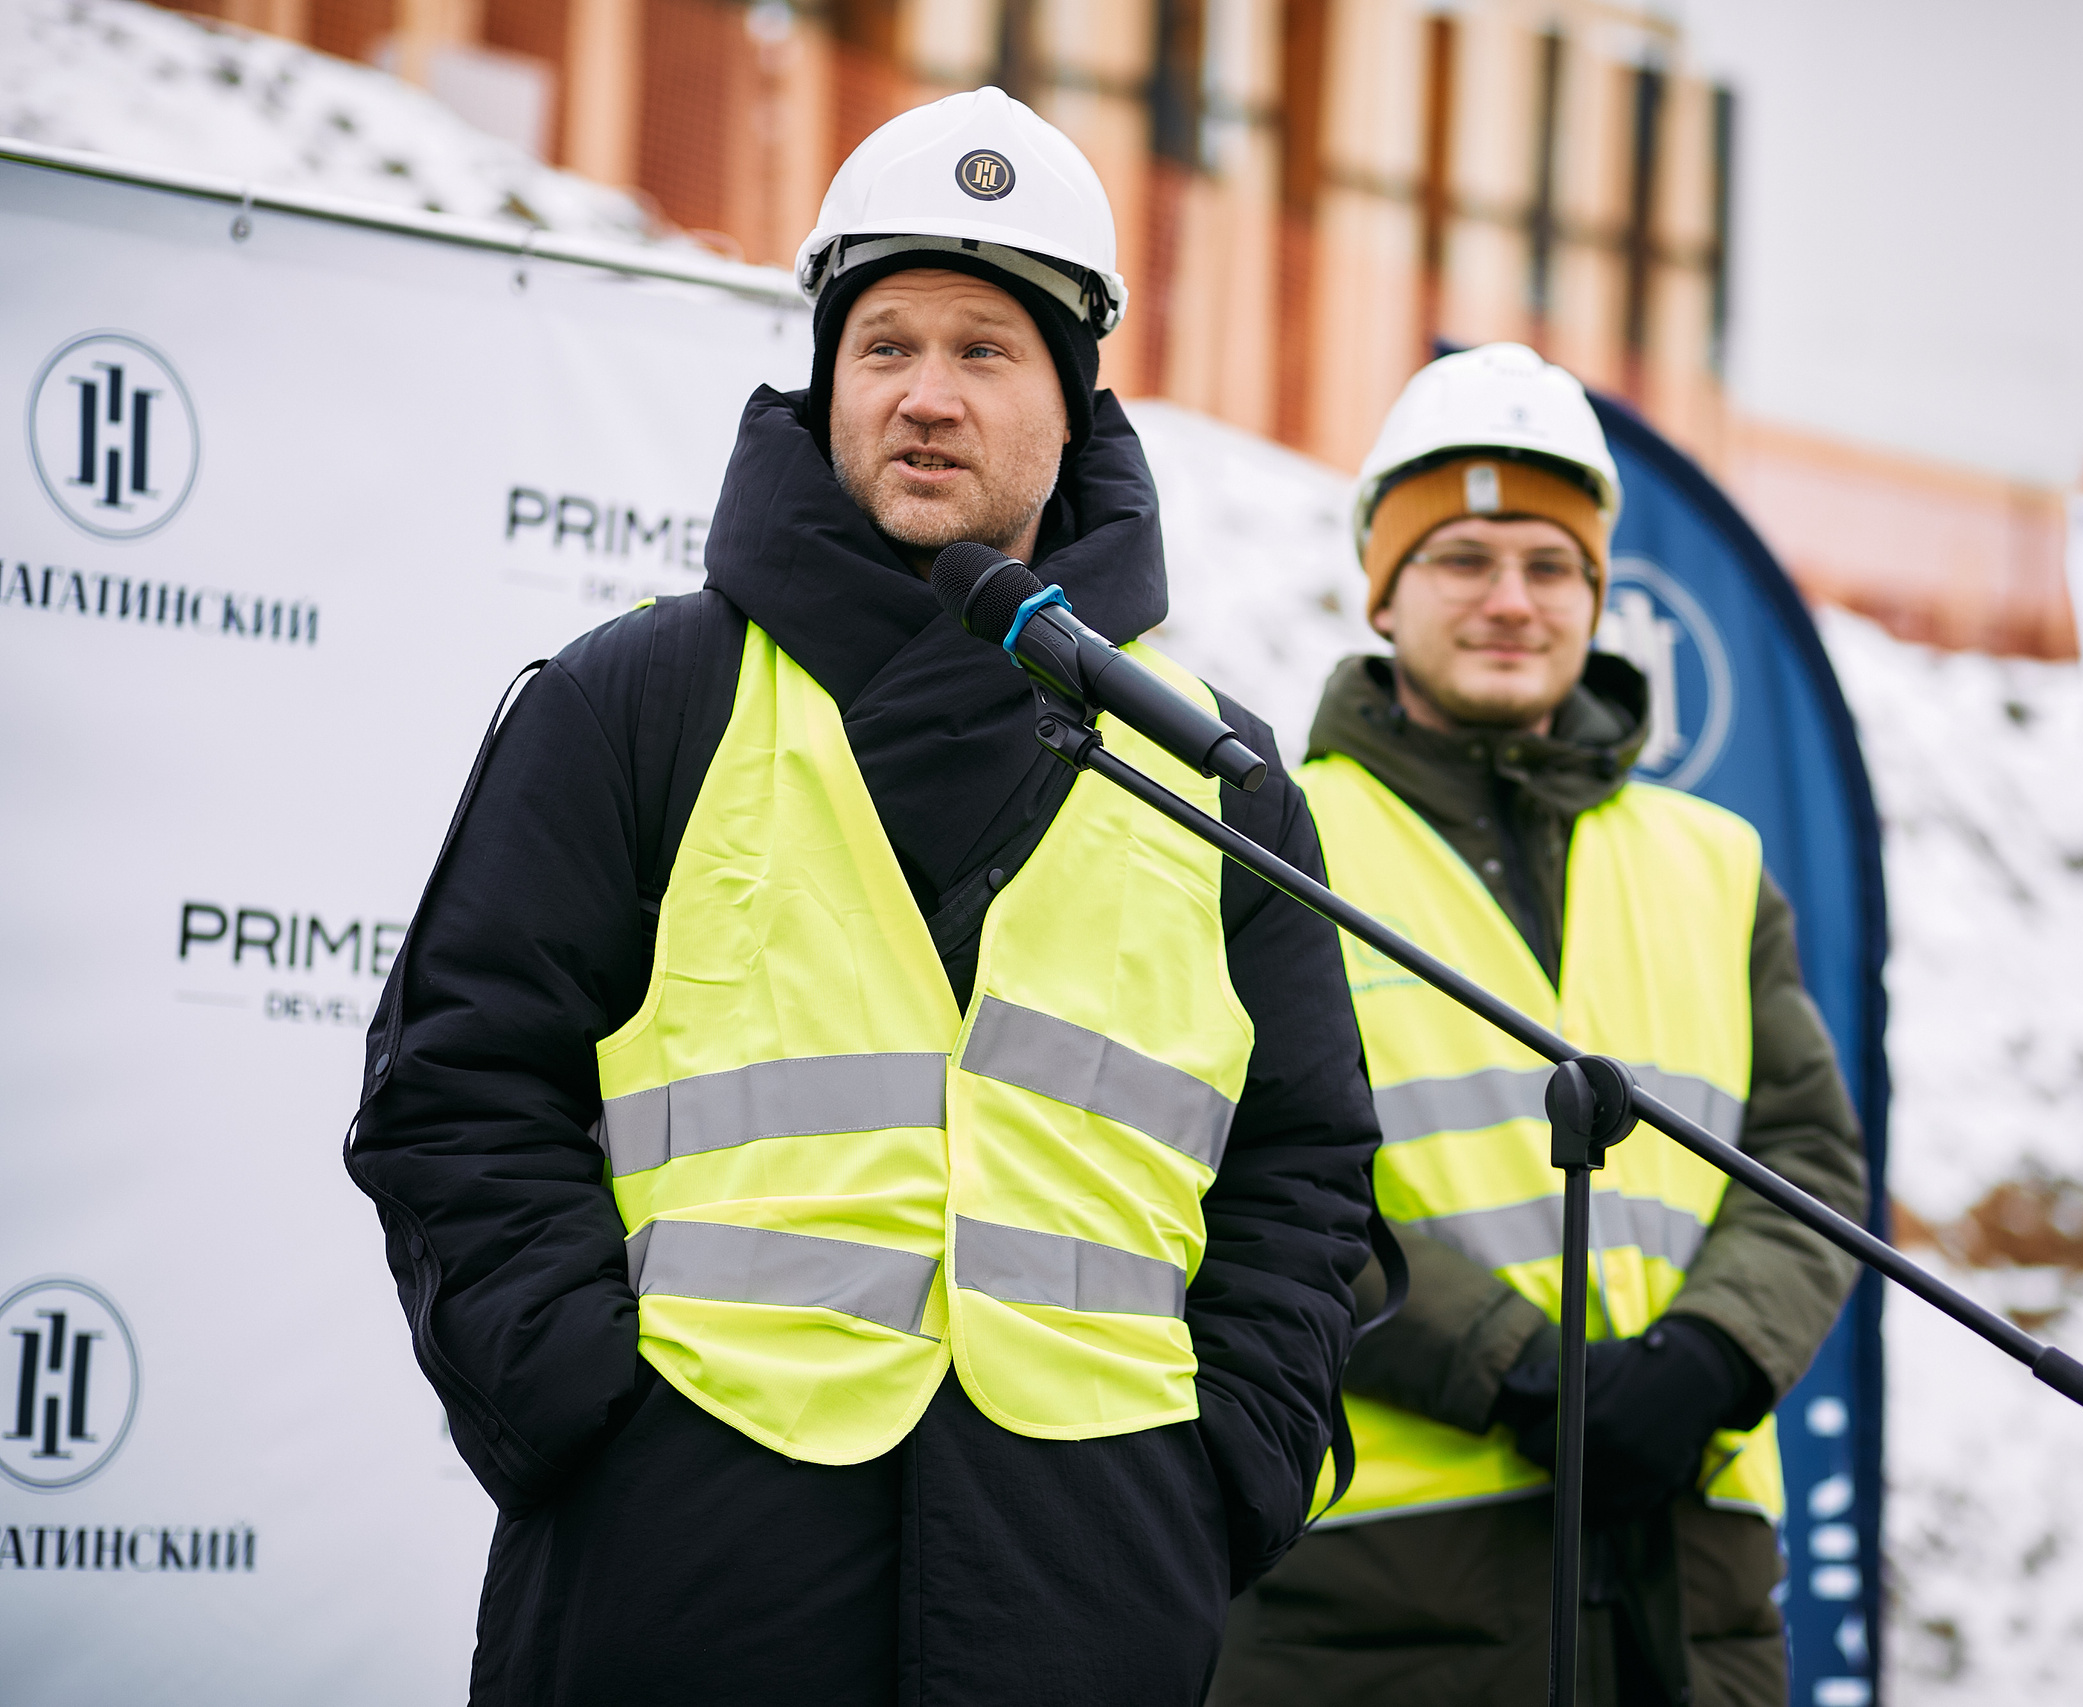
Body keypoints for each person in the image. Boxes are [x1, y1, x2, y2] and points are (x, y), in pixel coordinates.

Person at [345, 88, 1380, 1706]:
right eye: (884, 345)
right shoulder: (638, 701)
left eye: (986, 351)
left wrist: (1220, 1479)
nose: (925, 395)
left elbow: (1305, 1171)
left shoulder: (1211, 771)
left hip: (1088, 1579)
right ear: (829, 378)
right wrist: (583, 1418)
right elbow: (459, 1083)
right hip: (687, 1557)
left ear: (1072, 403)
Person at [1209, 343, 1868, 1706]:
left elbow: (1809, 1163)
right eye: (1462, 558)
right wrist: (1518, 1373)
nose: (1512, 600)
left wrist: (1707, 1360)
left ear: (1597, 597)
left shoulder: (1717, 862)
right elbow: (1231, 1167)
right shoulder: (1274, 843)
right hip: (1378, 1597)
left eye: (1552, 566)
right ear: (1384, 589)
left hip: (1693, 1596)